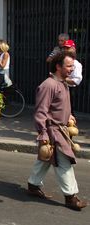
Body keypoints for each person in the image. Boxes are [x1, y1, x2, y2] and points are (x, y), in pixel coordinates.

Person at [27, 51, 87, 211]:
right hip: (53, 131)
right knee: (63, 162)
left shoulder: (63, 83)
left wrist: (69, 116)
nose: (71, 69)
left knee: (45, 159)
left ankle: (33, 185)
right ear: (58, 66)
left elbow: (61, 107)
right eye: (68, 66)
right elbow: (40, 112)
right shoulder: (48, 85)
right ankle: (71, 197)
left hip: (62, 129)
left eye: (72, 66)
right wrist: (43, 134)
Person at [62, 39, 83, 116]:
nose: (65, 50)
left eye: (68, 48)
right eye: (64, 48)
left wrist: (63, 79)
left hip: (68, 89)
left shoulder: (76, 64)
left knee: (68, 111)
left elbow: (76, 81)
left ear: (73, 49)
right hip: (59, 87)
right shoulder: (60, 60)